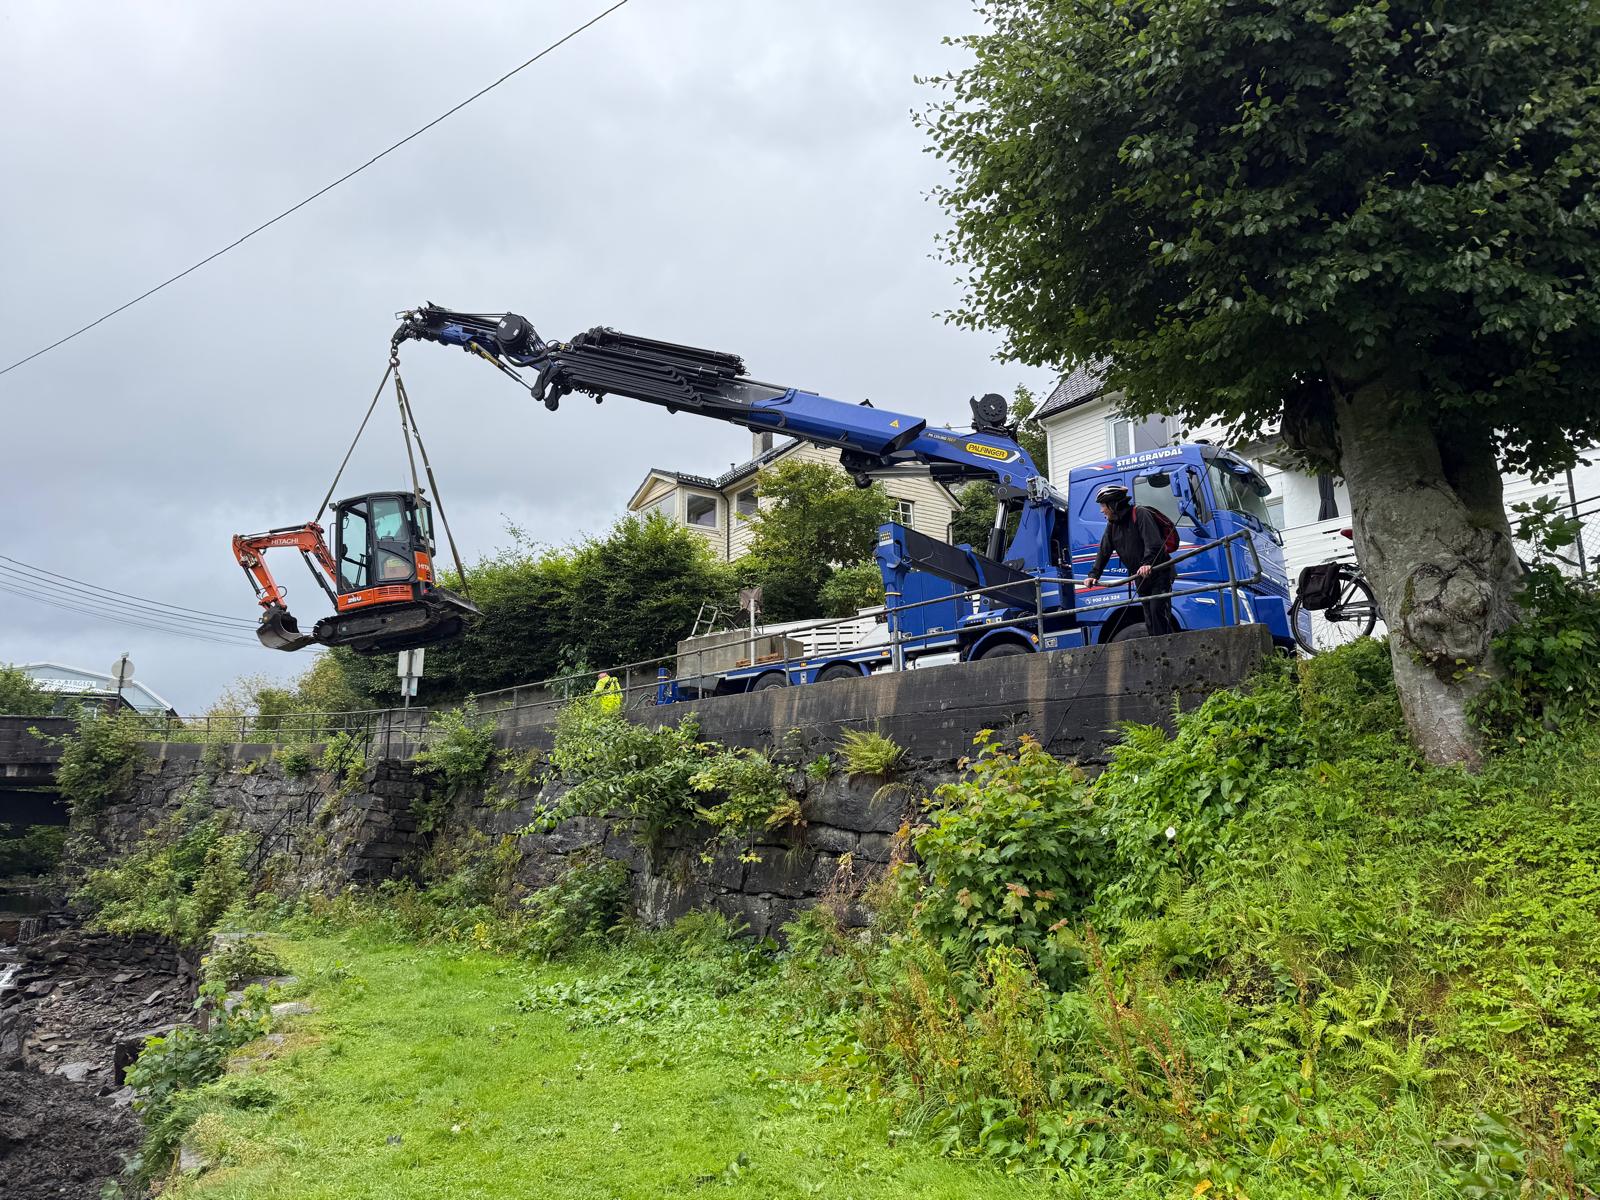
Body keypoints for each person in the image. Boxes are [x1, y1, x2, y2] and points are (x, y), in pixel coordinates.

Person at [1081, 484, 1176, 637]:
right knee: (1149, 618)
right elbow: (1104, 550)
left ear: (1113, 504)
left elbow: (1153, 543)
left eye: (1103, 506)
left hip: (1158, 571)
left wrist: (1147, 563)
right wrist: (1094, 575)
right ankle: (1157, 645)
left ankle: (1166, 646)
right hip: (1140, 576)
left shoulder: (1140, 513)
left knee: (1158, 612)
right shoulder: (1112, 525)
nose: (1101, 510)